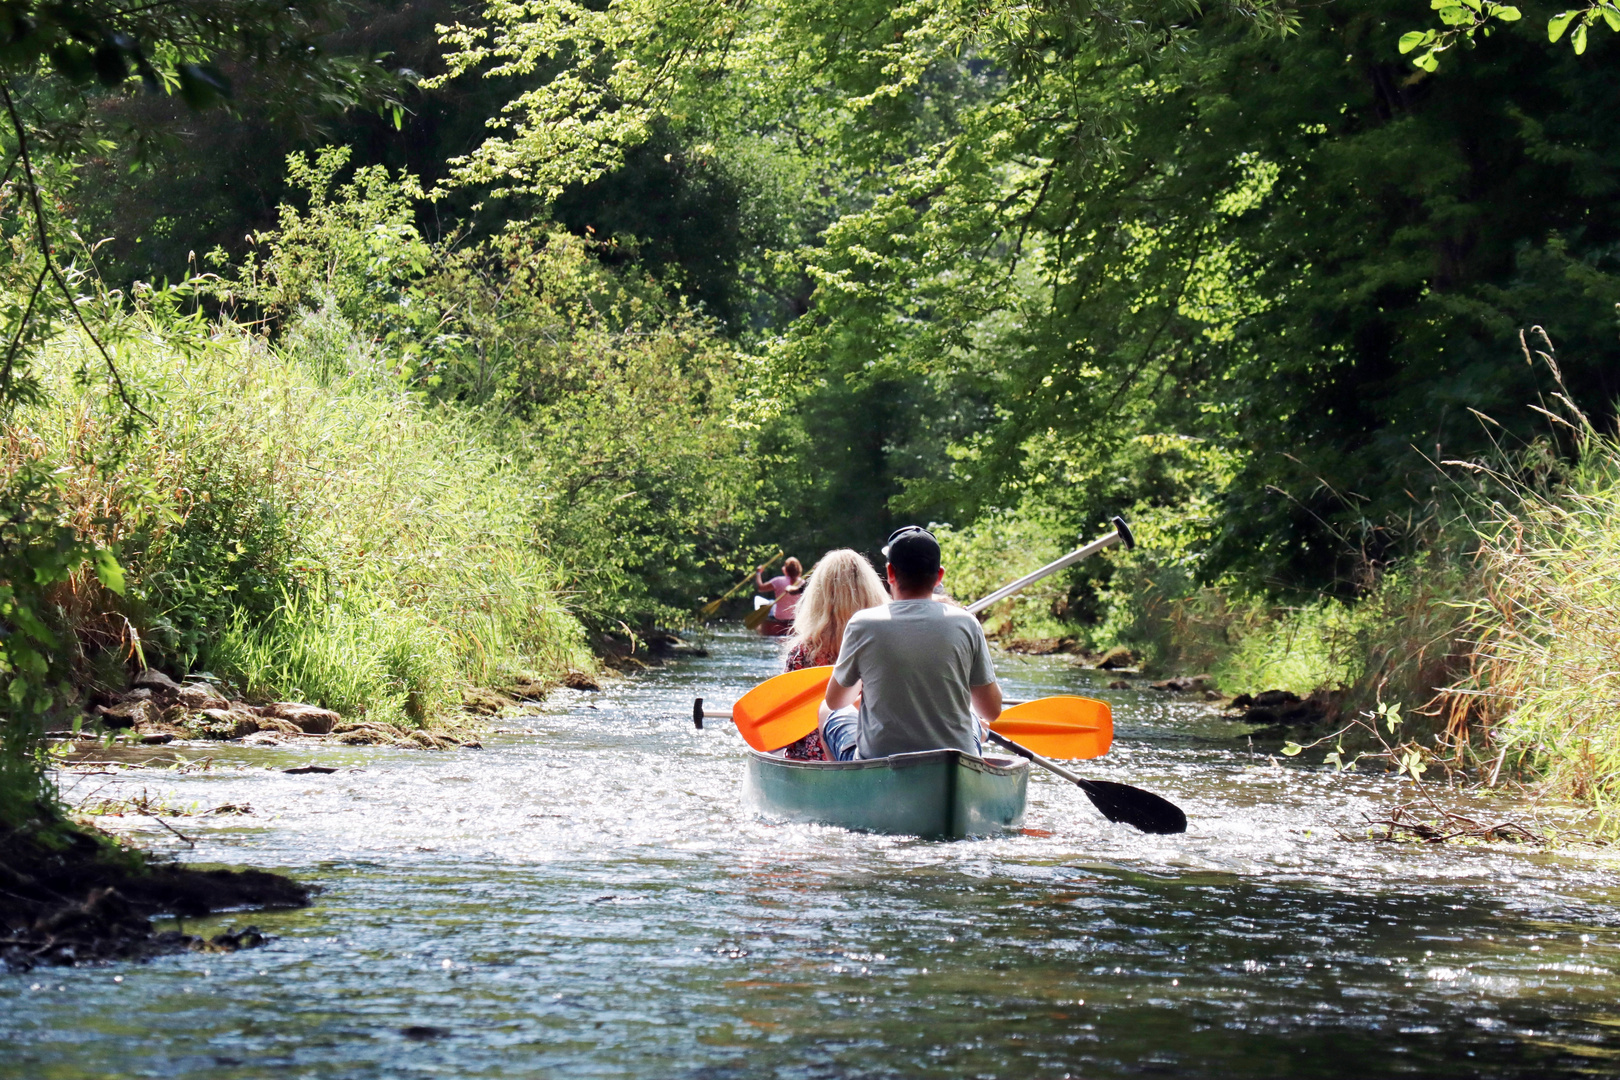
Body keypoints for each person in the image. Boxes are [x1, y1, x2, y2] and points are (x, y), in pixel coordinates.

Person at [817, 526, 1002, 760]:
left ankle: (847, 790)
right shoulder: (967, 623)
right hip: (952, 762)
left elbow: (836, 701)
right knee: (974, 715)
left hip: (880, 764)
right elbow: (992, 711)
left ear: (890, 572)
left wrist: (869, 678)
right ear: (939, 576)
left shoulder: (862, 624)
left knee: (825, 710)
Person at [777, 550, 889, 760]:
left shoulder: (801, 653)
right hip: (867, 755)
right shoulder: (882, 647)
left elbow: (786, 723)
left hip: (809, 763)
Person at [755, 556, 804, 636]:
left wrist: (758, 573)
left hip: (779, 618)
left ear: (785, 569)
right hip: (794, 619)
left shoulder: (778, 581)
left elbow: (760, 588)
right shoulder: (802, 583)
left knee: (769, 603)